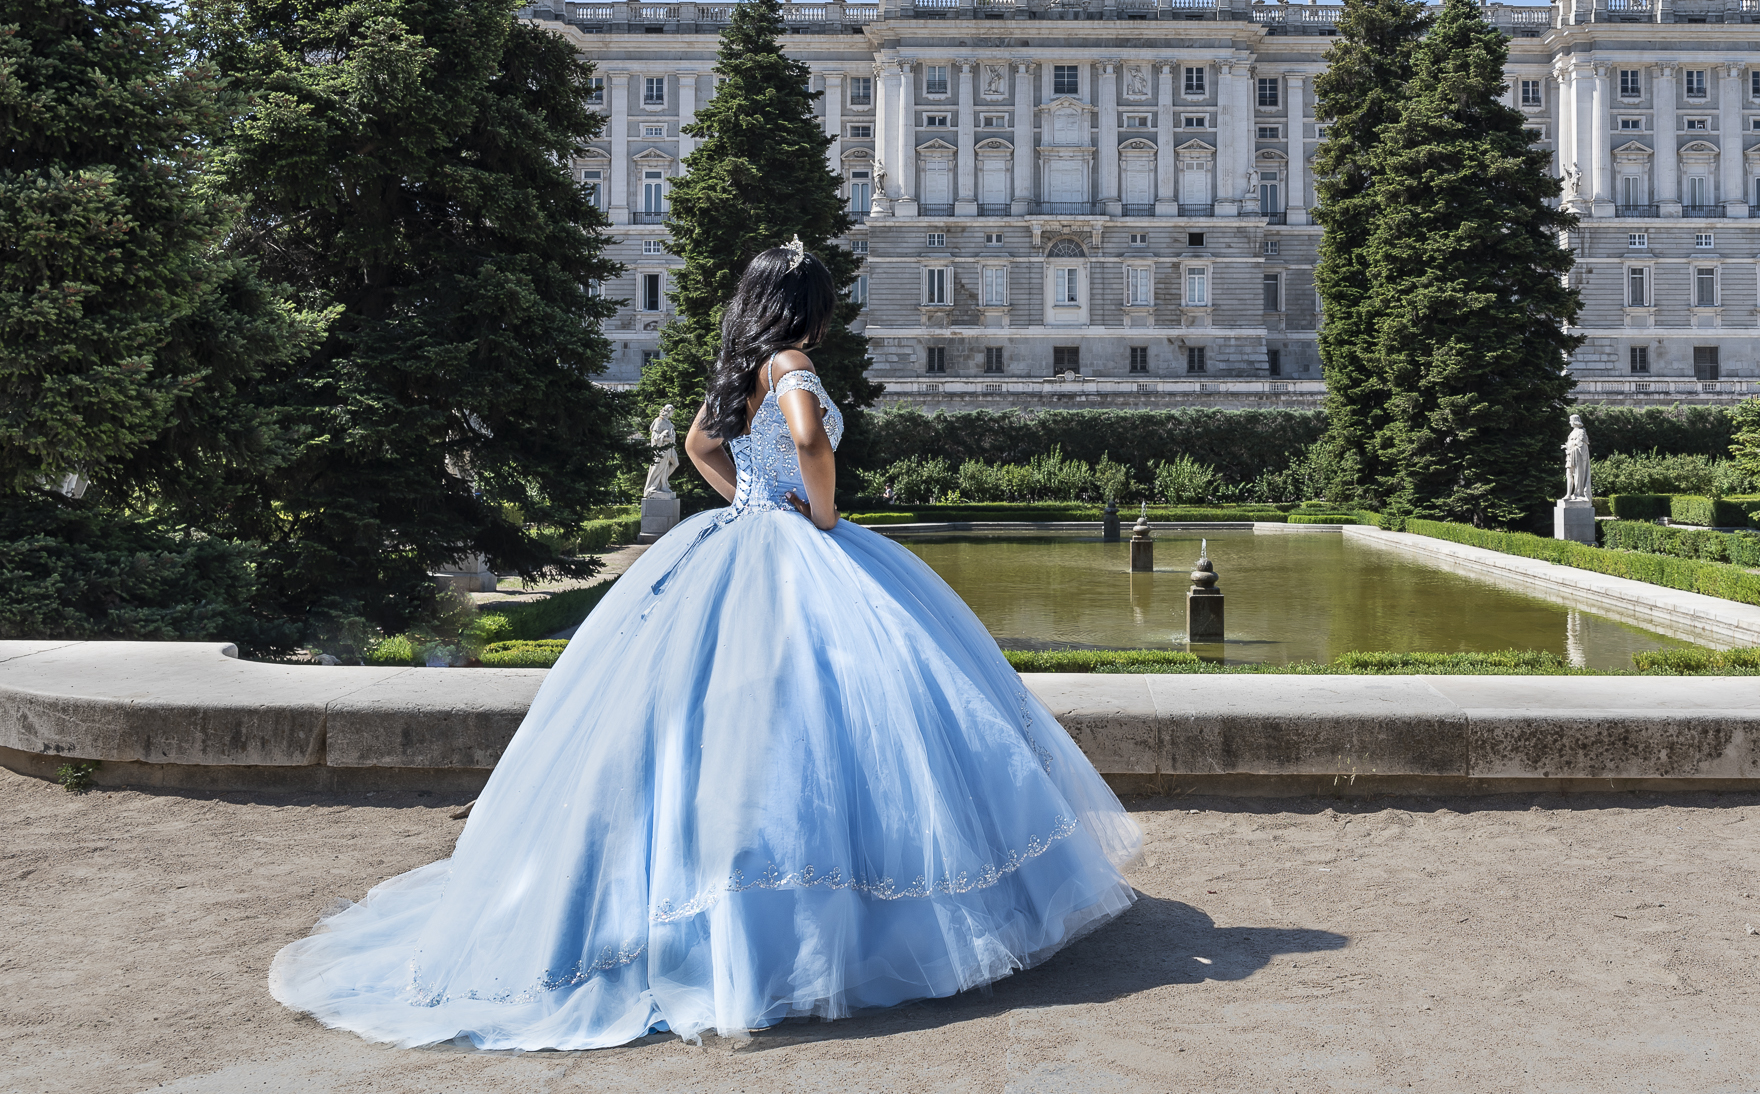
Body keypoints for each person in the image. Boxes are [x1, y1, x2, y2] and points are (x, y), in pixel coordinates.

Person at [269, 240, 1141, 1050]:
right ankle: (831, 918)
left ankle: (708, 904)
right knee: (848, 726)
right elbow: (806, 439)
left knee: (720, 729)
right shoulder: (794, 364)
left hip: (736, 541)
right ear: (808, 309)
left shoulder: (739, 368)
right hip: (801, 551)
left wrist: (744, 501)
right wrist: (821, 513)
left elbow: (697, 444)